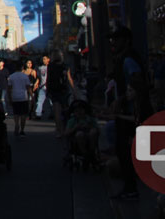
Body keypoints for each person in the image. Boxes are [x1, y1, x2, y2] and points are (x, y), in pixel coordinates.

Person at [109, 25, 151, 201]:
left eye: (116, 39)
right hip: (128, 112)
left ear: (125, 40)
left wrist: (123, 99)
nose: (113, 42)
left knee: (125, 149)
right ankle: (130, 185)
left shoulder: (128, 60)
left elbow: (137, 83)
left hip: (132, 113)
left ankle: (132, 187)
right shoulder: (123, 59)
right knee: (125, 149)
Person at [46, 51, 75, 138]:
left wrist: (48, 90)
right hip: (64, 90)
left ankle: (60, 131)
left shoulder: (50, 66)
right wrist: (74, 90)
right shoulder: (65, 66)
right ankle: (66, 129)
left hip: (54, 90)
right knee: (66, 110)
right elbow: (69, 79)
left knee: (57, 112)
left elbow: (48, 79)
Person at [65, 99, 100, 164]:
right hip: (77, 138)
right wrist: (75, 128)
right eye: (76, 111)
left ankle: (92, 152)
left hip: (90, 136)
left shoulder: (90, 119)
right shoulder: (72, 121)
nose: (79, 112)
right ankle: (84, 153)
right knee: (79, 134)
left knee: (93, 132)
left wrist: (89, 127)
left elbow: (97, 129)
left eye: (81, 110)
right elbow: (66, 133)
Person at [8, 60, 33, 137]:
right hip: (23, 96)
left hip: (15, 96)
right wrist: (32, 96)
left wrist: (9, 98)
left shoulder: (11, 76)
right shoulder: (25, 76)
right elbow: (28, 87)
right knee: (23, 114)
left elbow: (9, 88)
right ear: (22, 67)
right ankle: (22, 130)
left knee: (16, 113)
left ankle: (16, 124)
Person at [34, 54, 50, 120]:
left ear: (48, 59)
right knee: (40, 100)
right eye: (43, 59)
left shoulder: (51, 67)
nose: (43, 60)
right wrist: (36, 84)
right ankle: (38, 114)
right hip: (42, 86)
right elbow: (38, 77)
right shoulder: (40, 68)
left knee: (51, 101)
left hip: (50, 86)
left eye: (45, 59)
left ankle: (53, 113)